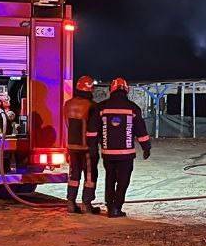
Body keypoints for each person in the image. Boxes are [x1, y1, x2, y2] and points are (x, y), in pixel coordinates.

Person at [88, 77, 151, 218]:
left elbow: (92, 130)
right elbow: (141, 130)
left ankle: (110, 207)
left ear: (112, 89)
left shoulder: (101, 107)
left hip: (108, 154)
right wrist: (146, 147)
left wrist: (92, 147)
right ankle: (117, 207)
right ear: (126, 89)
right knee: (123, 181)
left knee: (110, 179)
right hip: (126, 155)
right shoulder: (133, 108)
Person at [63, 75, 100, 214]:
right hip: (87, 147)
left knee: (73, 175)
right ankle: (86, 204)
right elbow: (93, 130)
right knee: (90, 176)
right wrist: (94, 147)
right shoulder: (92, 106)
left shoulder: (68, 104)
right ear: (90, 88)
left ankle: (71, 203)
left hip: (72, 146)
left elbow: (67, 124)